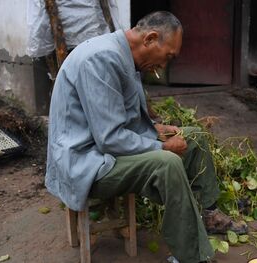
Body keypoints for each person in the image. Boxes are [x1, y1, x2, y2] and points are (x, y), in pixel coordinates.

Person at [44, 11, 246, 263]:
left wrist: (154, 127)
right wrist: (161, 145)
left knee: (194, 137)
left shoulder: (123, 56)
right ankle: (192, 257)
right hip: (86, 163)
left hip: (104, 150)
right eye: (168, 56)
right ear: (150, 39)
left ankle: (209, 213)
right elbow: (110, 139)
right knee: (167, 161)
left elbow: (119, 116)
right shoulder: (101, 59)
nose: (164, 66)